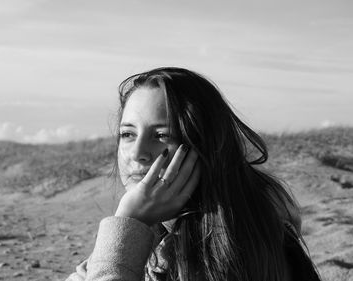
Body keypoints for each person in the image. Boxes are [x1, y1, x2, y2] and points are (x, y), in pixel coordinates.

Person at [66, 67, 321, 281]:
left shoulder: (229, 246)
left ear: (203, 146)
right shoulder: (159, 224)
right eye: (128, 134)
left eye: (161, 135)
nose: (137, 153)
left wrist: (128, 223)